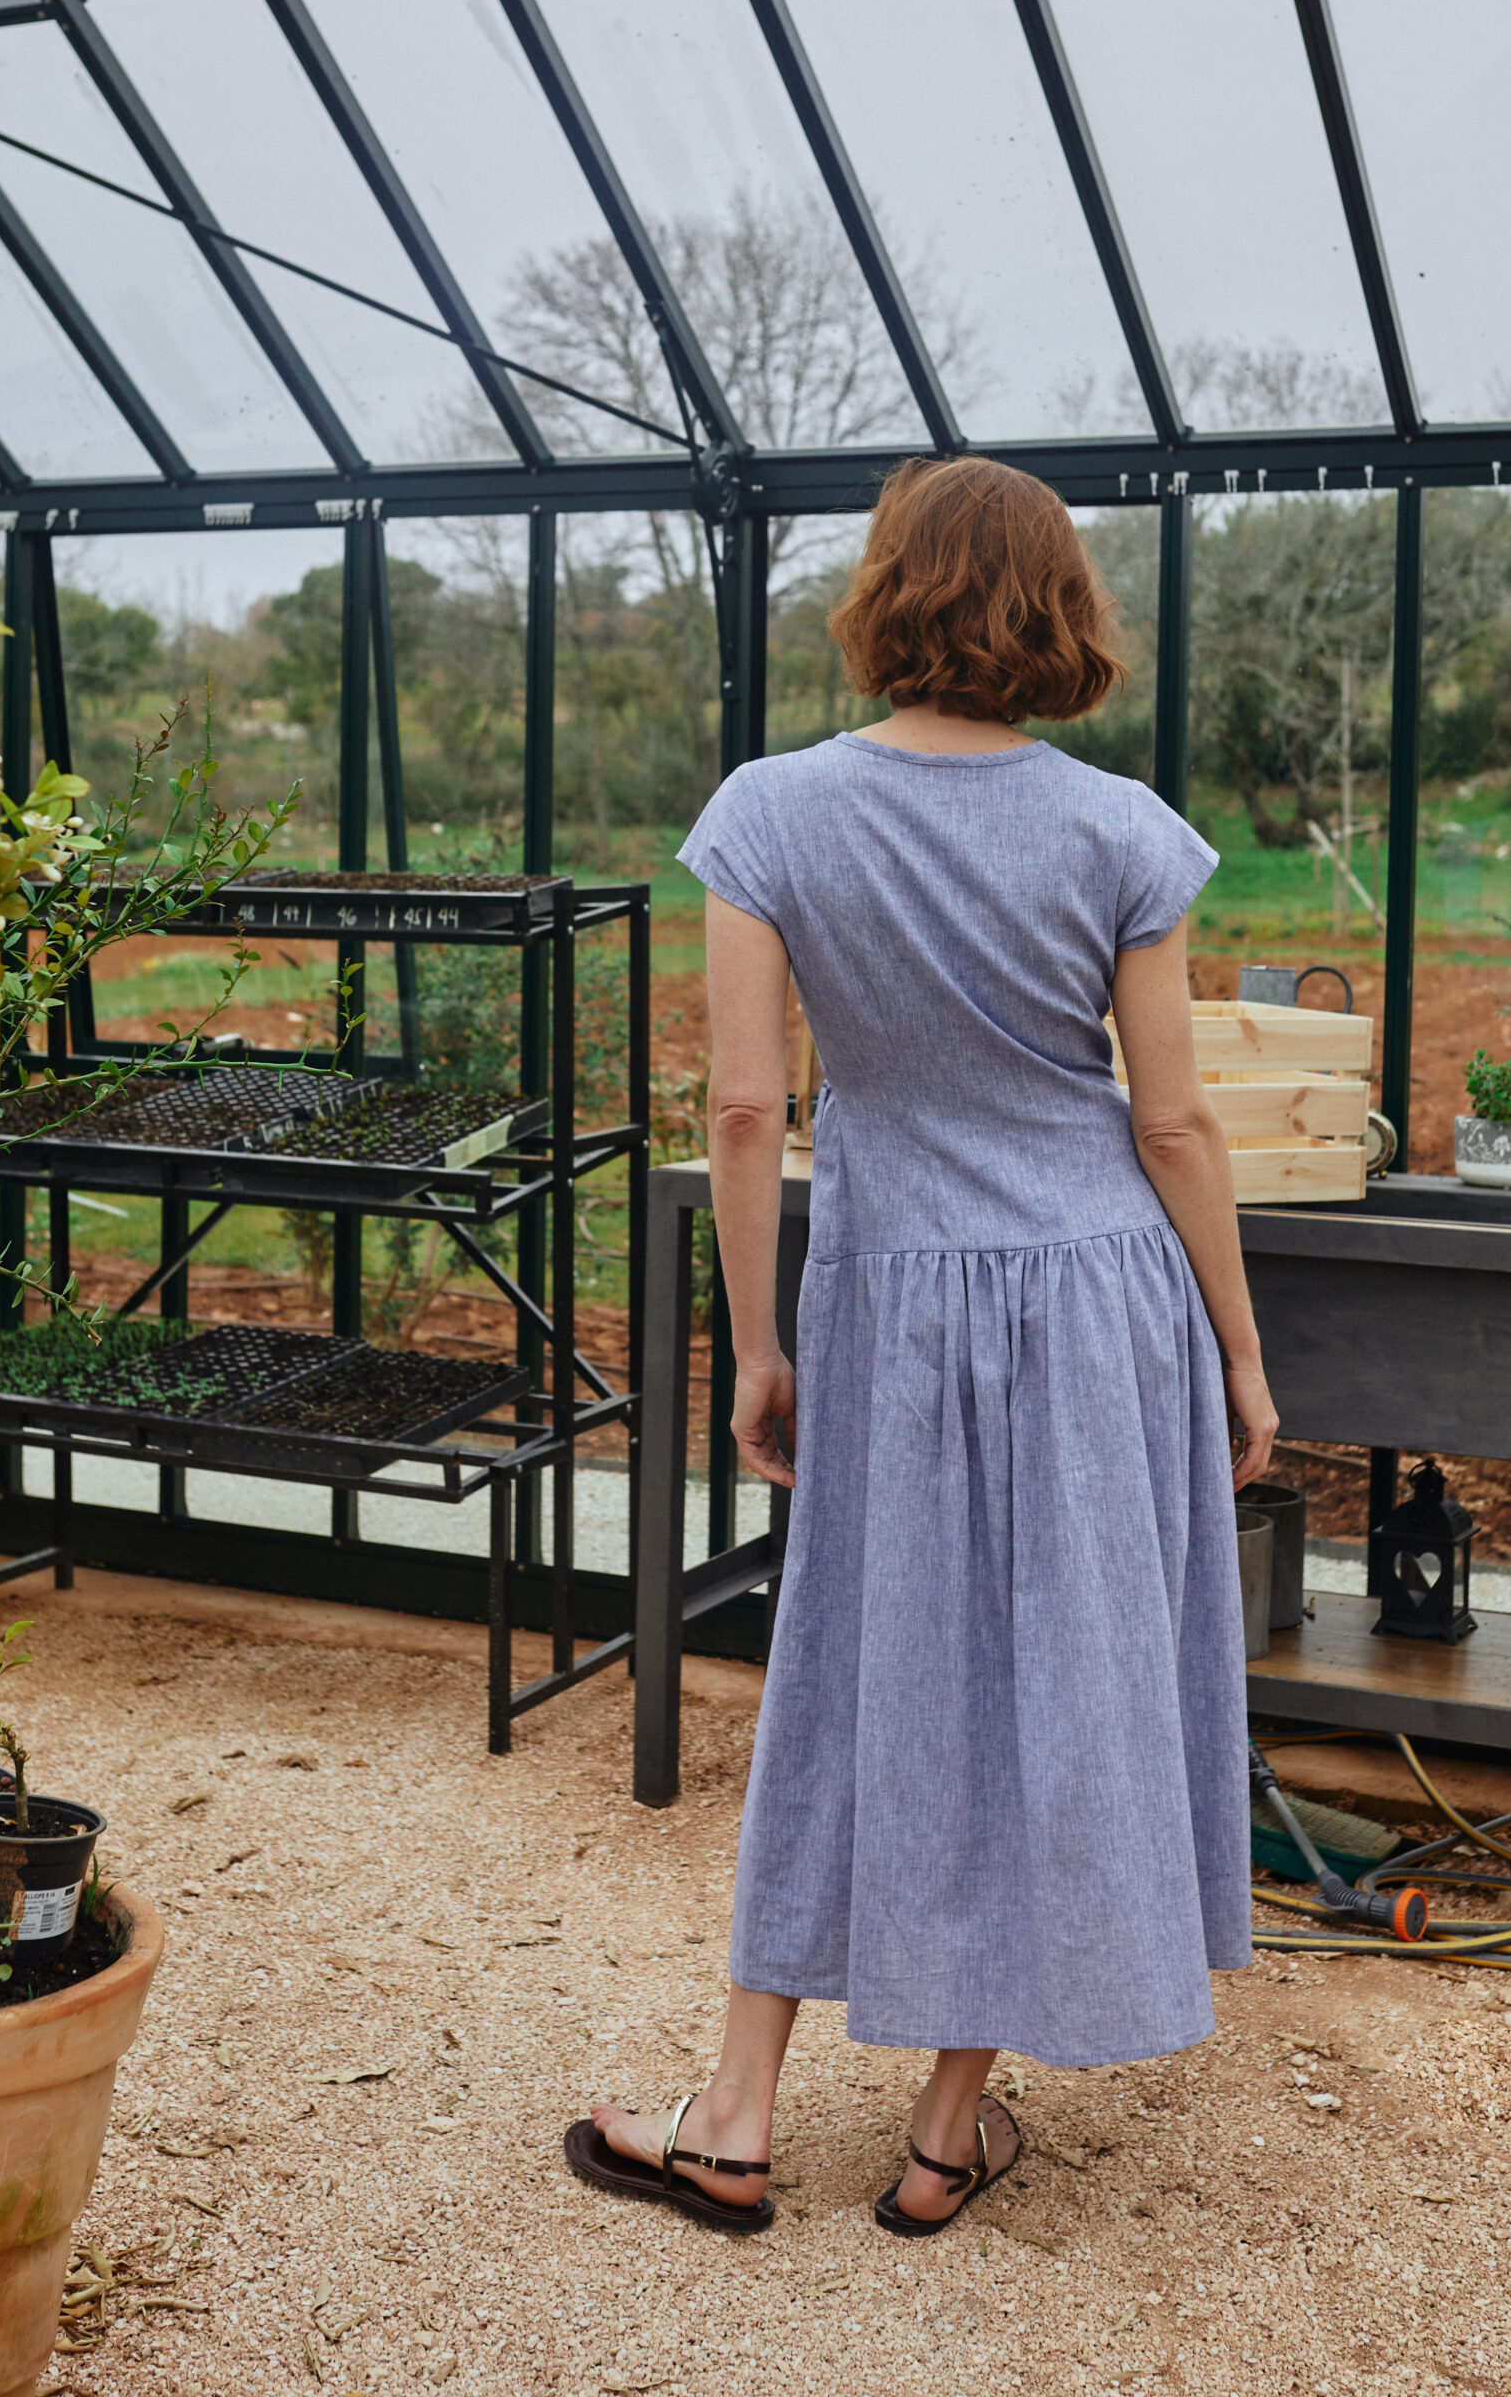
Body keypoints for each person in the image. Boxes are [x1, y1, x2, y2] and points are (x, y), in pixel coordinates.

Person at [565, 456, 1278, 2237]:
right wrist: (1242, 1353)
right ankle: (946, 2133)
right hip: (1099, 1296)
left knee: (850, 1666)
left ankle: (737, 2113)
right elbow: (1173, 1123)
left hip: (890, 1299)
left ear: (887, 596)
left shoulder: (772, 813)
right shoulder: (1122, 830)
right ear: (1060, 614)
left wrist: (757, 1347)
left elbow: (744, 1107)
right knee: (1055, 1678)